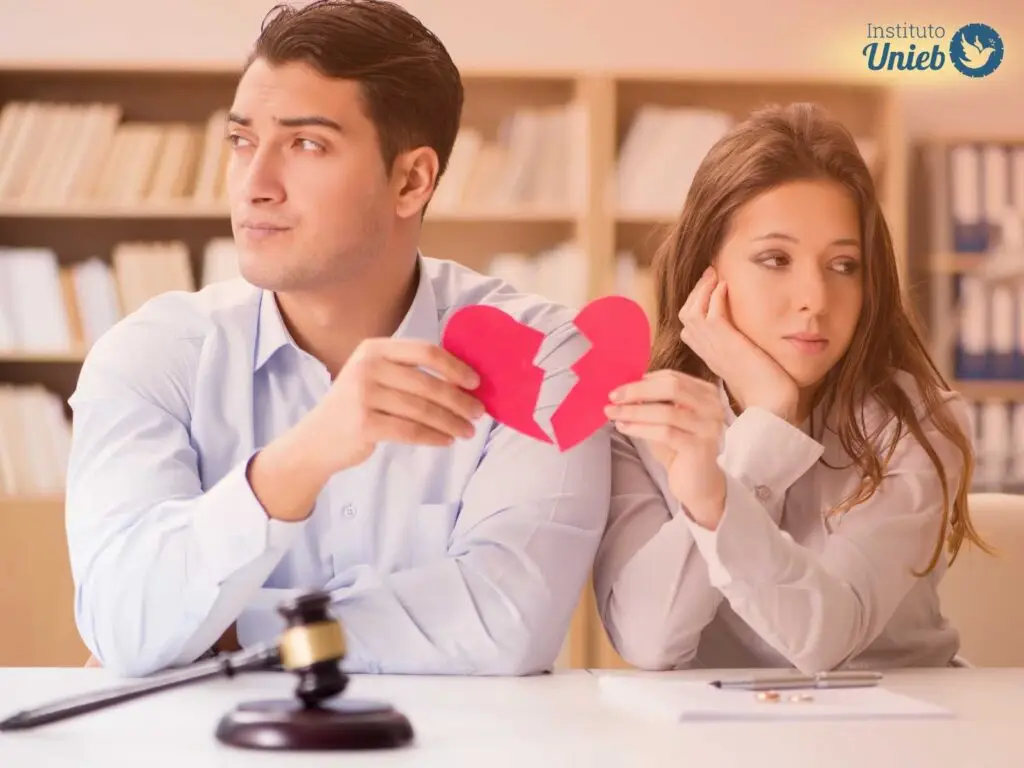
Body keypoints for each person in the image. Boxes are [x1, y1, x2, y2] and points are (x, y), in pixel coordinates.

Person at [65, 0, 610, 678]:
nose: (254, 186)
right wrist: (301, 459)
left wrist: (224, 632)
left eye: (306, 145)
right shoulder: (152, 354)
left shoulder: (544, 353)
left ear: (411, 180)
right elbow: (124, 617)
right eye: (241, 141)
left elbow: (507, 622)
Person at [593, 102, 990, 674]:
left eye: (844, 265)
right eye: (775, 258)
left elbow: (827, 639)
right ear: (707, 271)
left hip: (902, 713)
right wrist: (764, 427)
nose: (815, 300)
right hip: (720, 724)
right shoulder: (646, 420)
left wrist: (748, 451)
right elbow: (647, 641)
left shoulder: (918, 423)